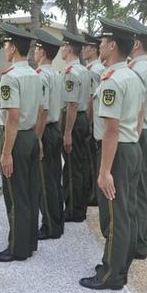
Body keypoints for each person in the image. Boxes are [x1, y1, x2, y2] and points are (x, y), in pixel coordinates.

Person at [80, 17, 144, 291]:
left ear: (113, 45)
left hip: (116, 152)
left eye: (103, 42)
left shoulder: (112, 81)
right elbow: (140, 116)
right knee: (125, 211)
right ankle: (116, 263)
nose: (100, 45)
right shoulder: (133, 75)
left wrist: (105, 170)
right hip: (131, 148)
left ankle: (112, 275)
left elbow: (111, 130)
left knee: (114, 215)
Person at [0, 22, 43, 262]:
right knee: (31, 193)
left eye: (5, 44)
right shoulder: (33, 74)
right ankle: (29, 242)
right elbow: (39, 109)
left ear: (12, 48)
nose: (4, 49)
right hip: (30, 135)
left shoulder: (10, 78)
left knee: (15, 195)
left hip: (16, 138)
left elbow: (12, 117)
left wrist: (6, 153)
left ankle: (17, 248)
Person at [125, 18, 147, 260]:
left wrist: (135, 138)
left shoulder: (136, 70)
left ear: (136, 43)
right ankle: (142, 239)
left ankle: (138, 242)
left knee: (136, 192)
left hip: (139, 134)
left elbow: (136, 111)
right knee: (144, 188)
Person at [33, 28, 64, 240]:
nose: (34, 53)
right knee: (54, 179)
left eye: (36, 49)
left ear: (42, 52)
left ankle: (50, 226)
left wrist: (37, 139)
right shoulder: (57, 75)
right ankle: (57, 220)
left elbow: (42, 110)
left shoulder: (41, 76)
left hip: (44, 130)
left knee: (45, 182)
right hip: (55, 128)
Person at [61, 30, 92, 223]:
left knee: (72, 168)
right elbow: (88, 100)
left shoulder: (71, 72)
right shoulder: (84, 70)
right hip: (82, 118)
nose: (61, 50)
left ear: (70, 48)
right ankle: (80, 206)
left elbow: (71, 105)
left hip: (73, 119)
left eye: (64, 46)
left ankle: (73, 210)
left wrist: (67, 133)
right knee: (79, 166)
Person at [83, 33, 107, 207]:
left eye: (86, 47)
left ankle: (93, 195)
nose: (83, 50)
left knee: (91, 160)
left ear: (93, 49)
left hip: (94, 120)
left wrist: (89, 121)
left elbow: (92, 98)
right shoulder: (98, 69)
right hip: (98, 120)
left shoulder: (94, 70)